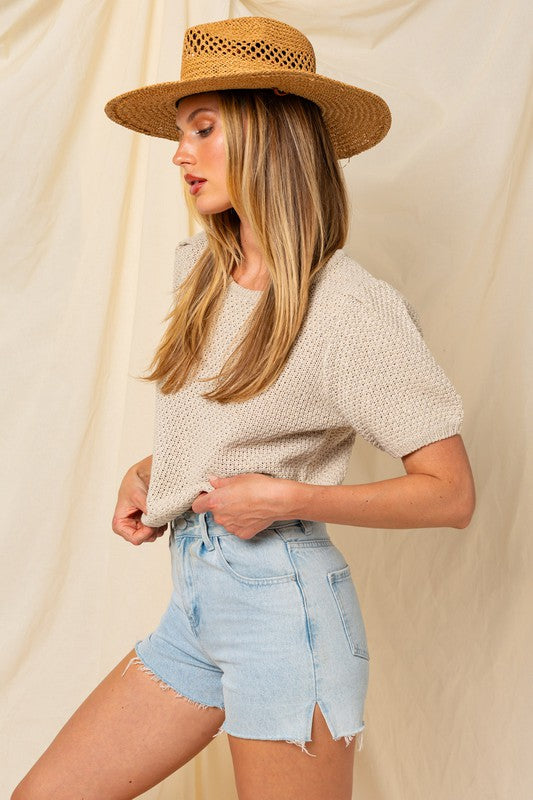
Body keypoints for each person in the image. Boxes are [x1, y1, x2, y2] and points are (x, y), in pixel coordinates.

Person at [12, 16, 475, 800]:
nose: (179, 153)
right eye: (180, 132)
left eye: (202, 128)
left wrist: (285, 498)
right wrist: (156, 473)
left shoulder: (349, 309)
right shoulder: (201, 272)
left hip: (283, 614)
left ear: (268, 136)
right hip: (195, 607)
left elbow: (449, 492)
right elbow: (242, 428)